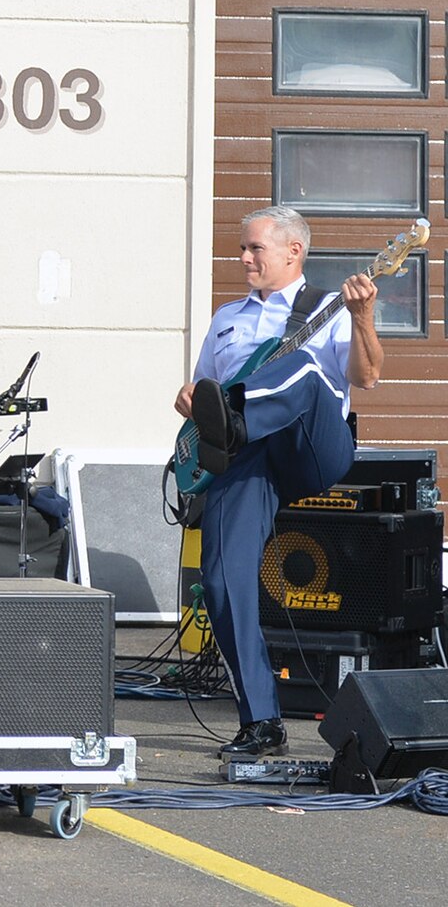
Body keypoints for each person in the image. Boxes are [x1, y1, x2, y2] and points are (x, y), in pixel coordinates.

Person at [176, 205, 380, 758]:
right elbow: (201, 397)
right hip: (246, 454)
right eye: (241, 248)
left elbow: (367, 376)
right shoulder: (227, 318)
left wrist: (362, 317)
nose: (242, 258)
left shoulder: (328, 309)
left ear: (294, 252)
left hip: (312, 445)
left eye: (254, 249)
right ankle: (261, 721)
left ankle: (243, 414)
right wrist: (192, 404)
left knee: (309, 370)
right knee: (221, 579)